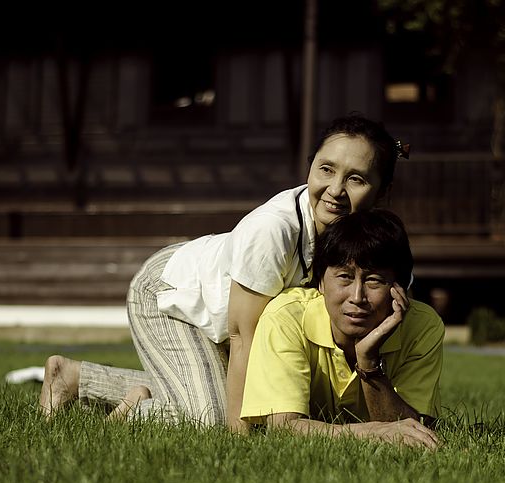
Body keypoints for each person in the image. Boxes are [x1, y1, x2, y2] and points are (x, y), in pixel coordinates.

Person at [39, 114, 410, 431]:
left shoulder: (368, 242)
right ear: (310, 166)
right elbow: (242, 338)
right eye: (326, 169)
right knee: (212, 416)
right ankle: (112, 396)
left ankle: (81, 378)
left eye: (356, 179)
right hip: (173, 294)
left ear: (383, 191)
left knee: (244, 402)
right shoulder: (273, 231)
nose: (335, 190)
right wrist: (239, 443)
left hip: (221, 311)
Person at [240, 209, 443, 449]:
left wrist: (368, 362)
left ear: (398, 287)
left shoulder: (422, 326)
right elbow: (283, 427)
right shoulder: (285, 317)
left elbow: (414, 430)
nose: (357, 297)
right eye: (345, 277)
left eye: (373, 280)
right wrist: (369, 432)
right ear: (321, 283)